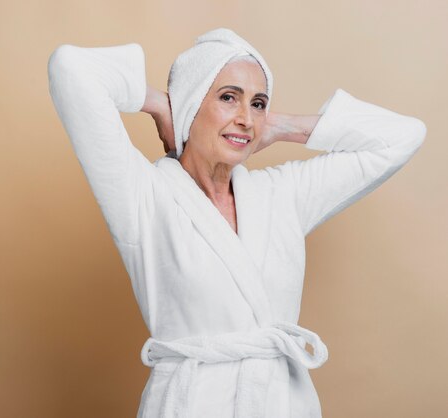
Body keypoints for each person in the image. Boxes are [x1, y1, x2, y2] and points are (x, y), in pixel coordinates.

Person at [46, 28, 426, 418]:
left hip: (283, 405)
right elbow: (70, 69)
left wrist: (280, 126)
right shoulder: (144, 196)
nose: (246, 118)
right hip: (190, 405)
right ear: (192, 102)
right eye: (229, 98)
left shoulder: (282, 195)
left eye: (258, 103)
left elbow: (403, 137)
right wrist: (161, 104)